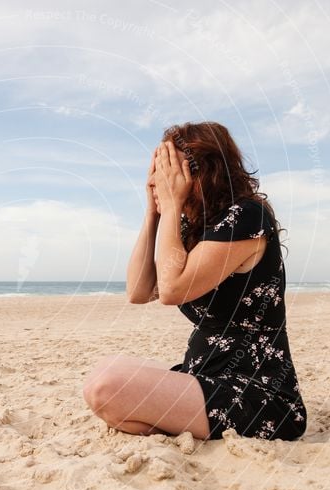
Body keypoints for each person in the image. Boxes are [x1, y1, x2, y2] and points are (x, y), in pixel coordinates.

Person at [81, 121, 307, 441]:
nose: (162, 179)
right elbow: (138, 290)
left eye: (169, 170)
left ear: (200, 171)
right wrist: (154, 213)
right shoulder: (197, 230)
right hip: (203, 375)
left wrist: (173, 206)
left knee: (107, 388)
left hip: (258, 395)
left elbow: (173, 289)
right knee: (105, 371)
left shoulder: (248, 217)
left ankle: (181, 427)